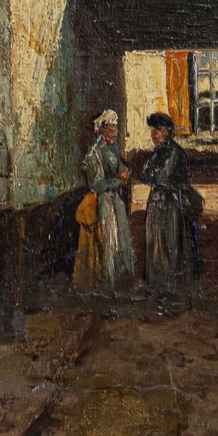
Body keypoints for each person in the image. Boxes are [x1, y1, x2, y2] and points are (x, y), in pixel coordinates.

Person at [140, 111, 203, 312]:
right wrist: (154, 176)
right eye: (152, 131)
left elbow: (162, 178)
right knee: (156, 244)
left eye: (156, 131)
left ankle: (172, 292)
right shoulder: (157, 152)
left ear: (166, 132)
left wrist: (154, 176)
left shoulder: (175, 153)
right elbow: (145, 174)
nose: (153, 135)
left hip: (170, 204)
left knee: (170, 244)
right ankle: (159, 288)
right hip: (157, 202)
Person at [73, 109, 137, 298]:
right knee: (109, 240)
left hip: (115, 200)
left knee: (121, 238)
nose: (114, 133)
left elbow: (119, 167)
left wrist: (124, 172)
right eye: (110, 130)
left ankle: (121, 281)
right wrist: (119, 180)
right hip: (103, 202)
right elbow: (98, 185)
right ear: (101, 130)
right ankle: (108, 283)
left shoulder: (113, 148)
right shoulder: (94, 154)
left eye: (115, 130)